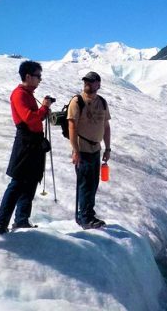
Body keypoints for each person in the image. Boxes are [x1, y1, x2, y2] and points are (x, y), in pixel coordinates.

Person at [0, 61, 52, 235]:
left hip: (32, 143)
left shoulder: (27, 94)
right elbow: (30, 118)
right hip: (26, 143)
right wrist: (44, 108)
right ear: (28, 76)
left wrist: (43, 110)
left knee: (31, 181)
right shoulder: (19, 94)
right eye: (37, 76)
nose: (40, 80)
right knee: (18, 183)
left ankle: (21, 220)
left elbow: (33, 118)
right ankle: (1, 224)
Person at [68, 71, 111, 229]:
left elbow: (106, 126)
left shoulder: (102, 102)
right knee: (85, 184)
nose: (87, 83)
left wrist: (108, 148)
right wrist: (75, 150)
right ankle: (85, 217)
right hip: (83, 149)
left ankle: (88, 214)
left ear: (98, 84)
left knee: (93, 183)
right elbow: (72, 126)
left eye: (91, 81)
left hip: (96, 149)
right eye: (86, 81)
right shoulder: (77, 101)